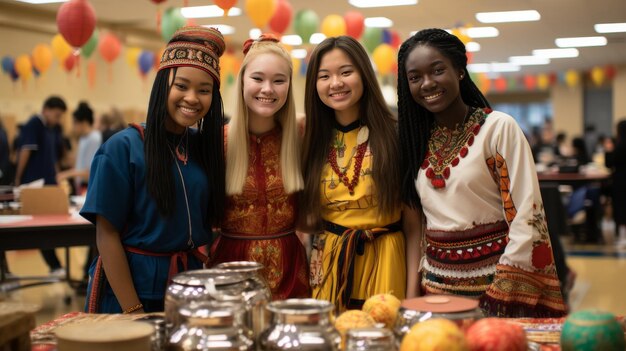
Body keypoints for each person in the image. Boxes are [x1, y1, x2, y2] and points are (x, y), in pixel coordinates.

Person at [397, 28, 566, 317]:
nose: (427, 83)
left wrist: (498, 297)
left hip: (496, 291)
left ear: (460, 71)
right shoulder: (414, 140)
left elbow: (528, 216)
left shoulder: (498, 128)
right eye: (415, 77)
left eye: (437, 71)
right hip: (435, 293)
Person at [80, 26, 226, 313]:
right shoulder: (123, 148)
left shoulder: (203, 148)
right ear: (163, 85)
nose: (192, 98)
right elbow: (106, 235)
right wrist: (132, 310)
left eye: (204, 90)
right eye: (181, 86)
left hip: (190, 290)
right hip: (132, 291)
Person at [300, 35, 420, 312]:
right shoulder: (310, 139)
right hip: (328, 265)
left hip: (387, 261)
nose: (336, 83)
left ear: (364, 74)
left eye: (346, 72)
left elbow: (414, 226)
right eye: (324, 76)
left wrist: (413, 295)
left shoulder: (396, 135)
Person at [210, 34, 310, 300]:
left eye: (279, 80)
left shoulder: (300, 136)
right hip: (230, 272)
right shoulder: (216, 144)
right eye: (257, 78)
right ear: (242, 80)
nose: (268, 89)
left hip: (291, 272)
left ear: (289, 86)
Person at [14, 96, 67, 277]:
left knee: (46, 227)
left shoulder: (49, 129)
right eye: (57, 115)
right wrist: (18, 178)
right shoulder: (33, 124)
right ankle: (55, 266)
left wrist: (56, 177)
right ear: (46, 109)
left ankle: (56, 266)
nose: (57, 119)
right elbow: (25, 151)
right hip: (34, 184)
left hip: (46, 184)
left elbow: (52, 158)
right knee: (38, 229)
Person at [57, 101, 102, 195]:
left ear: (84, 122)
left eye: (75, 123)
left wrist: (66, 174)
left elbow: (89, 171)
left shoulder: (94, 138)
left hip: (88, 184)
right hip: (80, 184)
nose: (73, 127)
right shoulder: (83, 138)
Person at [605, 119, 626, 245]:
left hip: (620, 181)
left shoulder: (619, 146)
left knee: (622, 209)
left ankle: (623, 239)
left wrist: (608, 150)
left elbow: (609, 164)